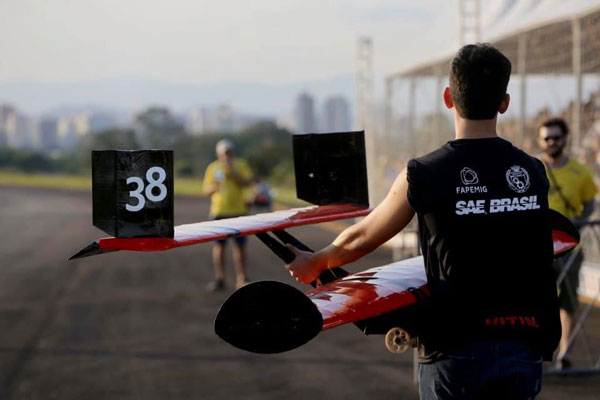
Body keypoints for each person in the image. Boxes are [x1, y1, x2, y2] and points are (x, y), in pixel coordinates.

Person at [286, 44, 561, 399]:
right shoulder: (532, 170)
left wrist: (317, 261)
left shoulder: (424, 172)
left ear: (448, 97)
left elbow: (363, 238)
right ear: (504, 103)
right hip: (523, 344)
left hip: (455, 347)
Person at [537, 118, 597, 369]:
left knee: (569, 301)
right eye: (547, 138)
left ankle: (565, 354)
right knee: (537, 299)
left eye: (556, 138)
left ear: (565, 138)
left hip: (570, 249)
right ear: (541, 141)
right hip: (537, 249)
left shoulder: (579, 171)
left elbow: (589, 201)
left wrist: (580, 223)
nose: (552, 142)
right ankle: (537, 351)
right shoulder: (532, 167)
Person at [203, 139, 253, 291]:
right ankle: (220, 278)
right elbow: (205, 190)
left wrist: (234, 174)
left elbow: (248, 183)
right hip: (219, 211)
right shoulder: (213, 168)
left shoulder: (241, 165)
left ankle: (241, 278)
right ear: (218, 154)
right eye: (224, 153)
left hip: (238, 211)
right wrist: (215, 185)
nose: (227, 156)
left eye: (229, 152)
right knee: (219, 246)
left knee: (240, 246)